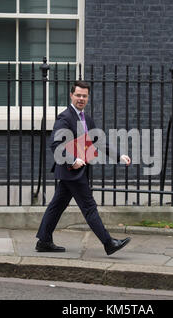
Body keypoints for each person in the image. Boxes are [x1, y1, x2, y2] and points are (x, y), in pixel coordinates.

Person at [35, 81, 131, 255]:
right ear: (71, 95)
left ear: (88, 98)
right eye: (78, 95)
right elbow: (55, 144)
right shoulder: (65, 117)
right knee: (89, 207)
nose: (81, 98)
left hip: (75, 172)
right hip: (72, 171)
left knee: (56, 206)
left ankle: (44, 241)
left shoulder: (86, 118)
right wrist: (72, 160)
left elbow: (99, 141)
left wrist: (119, 156)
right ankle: (108, 243)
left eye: (84, 96)